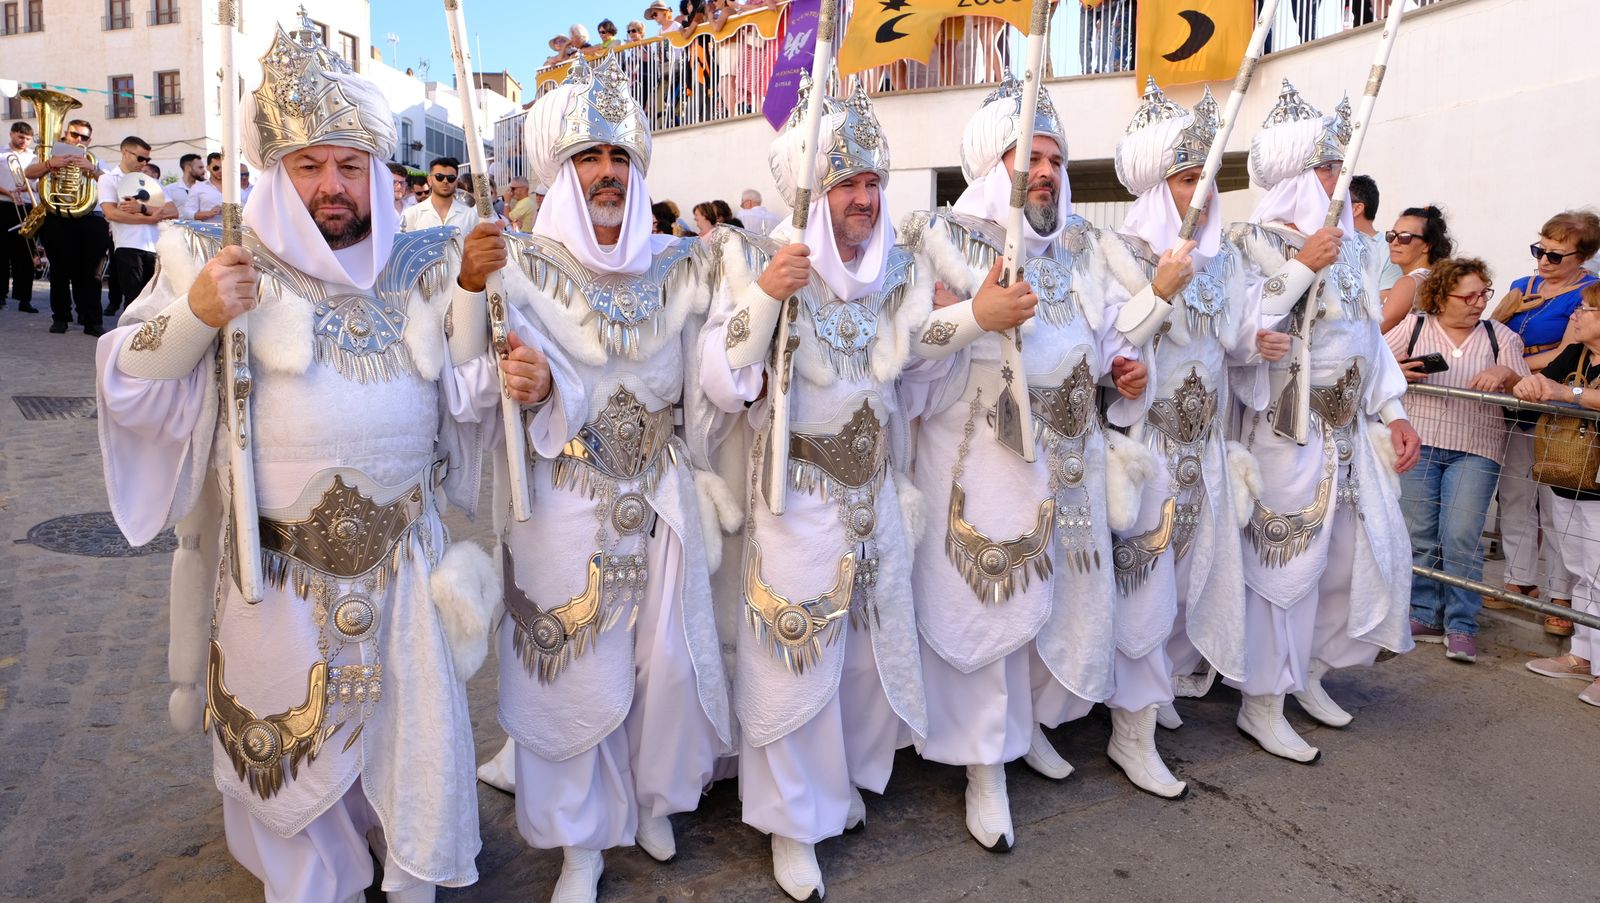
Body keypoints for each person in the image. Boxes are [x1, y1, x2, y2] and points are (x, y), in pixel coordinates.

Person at [93, 17, 567, 901]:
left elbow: (467, 393)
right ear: (277, 171)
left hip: (405, 558)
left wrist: (490, 320)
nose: (332, 187)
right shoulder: (212, 255)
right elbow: (126, 380)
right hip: (278, 571)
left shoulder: (425, 264)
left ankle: (407, 859)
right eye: (309, 165)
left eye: (350, 166)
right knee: (294, 761)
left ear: (378, 176)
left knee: (407, 737)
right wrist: (197, 311)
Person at [492, 53, 733, 903]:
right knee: (574, 666)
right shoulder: (516, 268)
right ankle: (580, 844)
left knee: (665, 663)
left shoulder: (680, 266)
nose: (606, 173)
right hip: (566, 497)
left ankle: (653, 796)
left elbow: (717, 369)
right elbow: (482, 378)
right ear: (563, 171)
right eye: (590, 157)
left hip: (661, 495)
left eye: (620, 158)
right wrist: (524, 385)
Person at [894, 73, 1156, 842]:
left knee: (1061, 608)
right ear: (992, 168)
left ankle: (1032, 726)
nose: (1043, 171)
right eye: (1026, 157)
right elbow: (906, 353)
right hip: (980, 469)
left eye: (1052, 158)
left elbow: (1108, 336)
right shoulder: (940, 241)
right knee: (990, 612)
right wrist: (975, 314)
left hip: (1069, 464)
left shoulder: (1081, 247)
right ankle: (984, 769)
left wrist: (1125, 366)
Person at [691, 78, 933, 902]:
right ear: (815, 190)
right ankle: (792, 823)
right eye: (846, 184)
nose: (863, 199)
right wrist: (765, 297)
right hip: (794, 494)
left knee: (863, 657)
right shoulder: (755, 259)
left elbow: (924, 352)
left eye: (872, 184)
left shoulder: (895, 270)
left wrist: (980, 318)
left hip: (872, 493)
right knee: (793, 654)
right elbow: (721, 381)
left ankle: (842, 788)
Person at [1225, 80, 1420, 762]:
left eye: (1339, 166)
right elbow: (1241, 329)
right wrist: (1300, 268)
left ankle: (1308, 671)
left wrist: (1392, 411)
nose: (1336, 180)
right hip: (1286, 431)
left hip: (1347, 435)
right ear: (1289, 173)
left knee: (1347, 562)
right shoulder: (1250, 242)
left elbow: (1368, 335)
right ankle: (1262, 699)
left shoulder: (1357, 249)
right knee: (1285, 569)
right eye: (1324, 167)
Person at [1095, 82, 1263, 795]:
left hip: (1205, 448)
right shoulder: (1119, 249)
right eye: (1186, 178)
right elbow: (1109, 342)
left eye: (1205, 177)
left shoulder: (1222, 260)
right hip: (1149, 452)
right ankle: (1128, 734)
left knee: (1192, 584)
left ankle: (1156, 689)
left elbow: (1231, 341)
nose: (1200, 192)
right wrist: (1157, 293)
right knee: (1142, 589)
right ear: (1159, 186)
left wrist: (1262, 333)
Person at [1389, 258, 1527, 664]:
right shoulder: (1413, 327)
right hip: (1420, 443)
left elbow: (1525, 388)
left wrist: (1505, 373)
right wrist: (1397, 370)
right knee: (1419, 532)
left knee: (1462, 535)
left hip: (1477, 447)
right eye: (1468, 295)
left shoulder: (1500, 337)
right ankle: (1425, 612)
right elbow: (1373, 365)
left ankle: (1462, 624)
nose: (1478, 303)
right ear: (1440, 297)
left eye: (1484, 294)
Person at [1490, 211, 1600, 634]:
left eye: (1556, 255)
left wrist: (1512, 370)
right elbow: (1491, 332)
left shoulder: (1587, 295)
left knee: (1555, 503)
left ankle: (1562, 595)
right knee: (1515, 495)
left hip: (1549, 401)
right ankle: (1519, 581)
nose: (1544, 261)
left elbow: (1564, 356)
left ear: (1583, 256)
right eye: (1540, 250)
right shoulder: (1522, 287)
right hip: (1515, 398)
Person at [1513, 280, 1600, 707]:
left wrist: (1572, 394)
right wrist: (1529, 386)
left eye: (1586, 310)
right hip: (1571, 473)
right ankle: (1583, 655)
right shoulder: (1579, 353)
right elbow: (1541, 381)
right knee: (1581, 567)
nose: (1575, 315)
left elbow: (1566, 391)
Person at [25, 116, 109, 336]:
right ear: (65, 135)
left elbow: (112, 185)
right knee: (59, 271)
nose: (78, 139)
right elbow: (28, 173)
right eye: (74, 134)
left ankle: (92, 320)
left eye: (84, 137)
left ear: (89, 141)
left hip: (90, 219)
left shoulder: (96, 160)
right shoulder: (49, 156)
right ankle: (60, 318)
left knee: (90, 274)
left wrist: (92, 169)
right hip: (57, 218)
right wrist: (49, 164)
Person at [98, 135, 178, 315]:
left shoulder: (151, 182)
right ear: (126, 153)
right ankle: (129, 339)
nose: (144, 163)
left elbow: (173, 211)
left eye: (147, 159)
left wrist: (142, 208)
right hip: (128, 245)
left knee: (155, 299)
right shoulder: (108, 179)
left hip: (155, 246)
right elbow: (111, 213)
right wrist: (151, 217)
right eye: (140, 158)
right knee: (134, 300)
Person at [1378, 205, 1454, 333]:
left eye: (1405, 237)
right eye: (1391, 235)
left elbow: (1375, 331)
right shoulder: (1435, 279)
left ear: (1427, 245)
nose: (1394, 242)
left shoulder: (1409, 283)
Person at [0, 120, 38, 312]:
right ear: (12, 134)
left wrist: (27, 188)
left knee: (26, 253)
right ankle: (0, 296)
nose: (24, 141)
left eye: (28, 139)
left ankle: (24, 299)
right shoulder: (1, 154)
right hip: (4, 206)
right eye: (21, 137)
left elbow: (39, 183)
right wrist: (9, 193)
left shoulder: (34, 157)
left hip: (28, 206)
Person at [402, 156, 479, 232]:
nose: (445, 181)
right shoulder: (412, 213)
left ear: (456, 181)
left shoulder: (470, 215)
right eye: (439, 177)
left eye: (451, 178)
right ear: (429, 180)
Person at [182, 152, 225, 221]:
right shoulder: (197, 188)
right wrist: (209, 213)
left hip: (235, 230)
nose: (220, 171)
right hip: (208, 230)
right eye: (216, 168)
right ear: (208, 168)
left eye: (224, 167)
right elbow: (187, 213)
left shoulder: (237, 188)